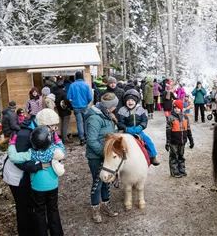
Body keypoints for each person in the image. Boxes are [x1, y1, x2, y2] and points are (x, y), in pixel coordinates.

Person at [8, 110, 66, 236]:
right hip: (19, 178)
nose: (54, 129)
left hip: (37, 184)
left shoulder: (32, 152)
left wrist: (12, 144)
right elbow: (61, 150)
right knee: (28, 209)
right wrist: (38, 166)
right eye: (52, 126)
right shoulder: (27, 136)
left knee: (38, 211)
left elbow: (14, 156)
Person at [2, 115, 46, 236]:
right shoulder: (24, 135)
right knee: (23, 207)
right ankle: (25, 232)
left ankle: (33, 229)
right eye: (50, 126)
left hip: (24, 175)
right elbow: (19, 161)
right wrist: (38, 166)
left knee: (30, 204)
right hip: (16, 177)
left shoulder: (35, 131)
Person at [85, 92, 119, 223]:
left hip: (106, 155)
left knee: (107, 180)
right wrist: (105, 153)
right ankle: (95, 209)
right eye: (114, 106)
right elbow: (92, 140)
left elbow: (107, 134)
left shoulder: (106, 115)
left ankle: (106, 204)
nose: (115, 108)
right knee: (97, 183)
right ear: (108, 106)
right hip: (96, 156)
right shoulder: (95, 118)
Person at [117, 89, 160, 166]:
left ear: (136, 101)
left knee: (148, 140)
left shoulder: (140, 109)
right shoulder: (122, 110)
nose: (130, 102)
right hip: (126, 130)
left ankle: (152, 156)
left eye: (132, 100)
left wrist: (140, 127)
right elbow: (119, 122)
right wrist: (125, 128)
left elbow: (144, 120)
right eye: (128, 100)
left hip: (138, 130)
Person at [165, 100, 194, 178]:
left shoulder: (185, 117)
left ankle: (181, 169)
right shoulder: (171, 118)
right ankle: (174, 171)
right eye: (175, 108)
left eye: (178, 107)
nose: (176, 109)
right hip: (174, 141)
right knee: (174, 156)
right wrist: (168, 142)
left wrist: (191, 140)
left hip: (182, 141)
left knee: (181, 156)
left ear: (181, 108)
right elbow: (168, 131)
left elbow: (188, 129)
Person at [67, 71, 93, 146]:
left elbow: (69, 97)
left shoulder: (72, 85)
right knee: (85, 121)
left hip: (76, 107)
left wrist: (73, 102)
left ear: (75, 77)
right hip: (84, 106)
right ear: (82, 77)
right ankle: (86, 137)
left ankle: (81, 138)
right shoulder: (86, 85)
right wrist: (86, 103)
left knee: (79, 122)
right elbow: (90, 97)